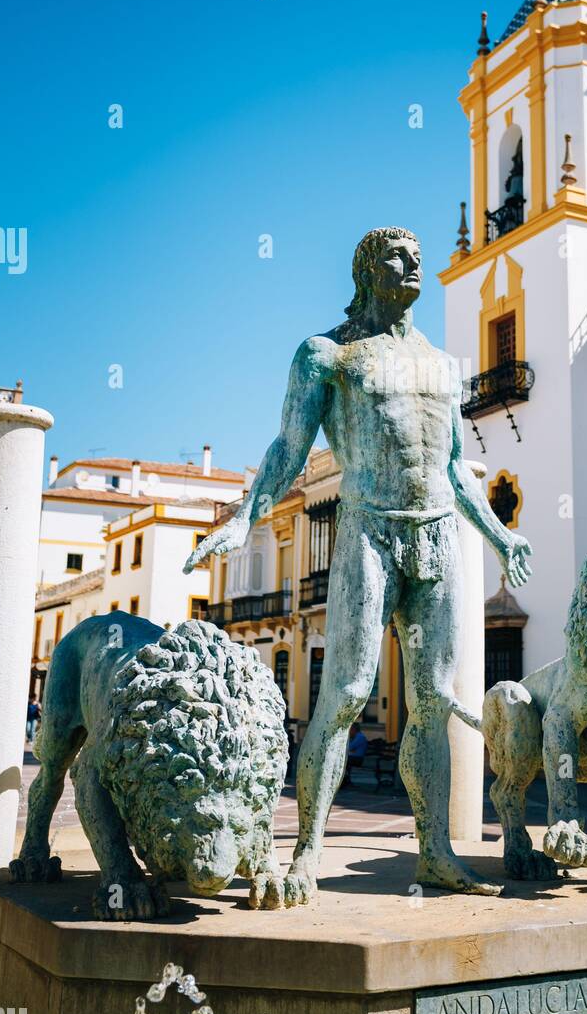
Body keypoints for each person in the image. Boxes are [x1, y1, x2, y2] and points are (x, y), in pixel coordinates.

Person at [185, 226, 532, 905]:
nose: (411, 269)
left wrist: (497, 535)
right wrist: (243, 517)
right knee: (344, 694)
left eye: (418, 261)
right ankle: (308, 851)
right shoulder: (327, 354)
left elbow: (457, 469)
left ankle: (435, 852)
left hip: (435, 536)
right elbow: (289, 448)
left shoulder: (442, 364)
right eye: (396, 260)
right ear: (367, 270)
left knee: (431, 703)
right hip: (368, 531)